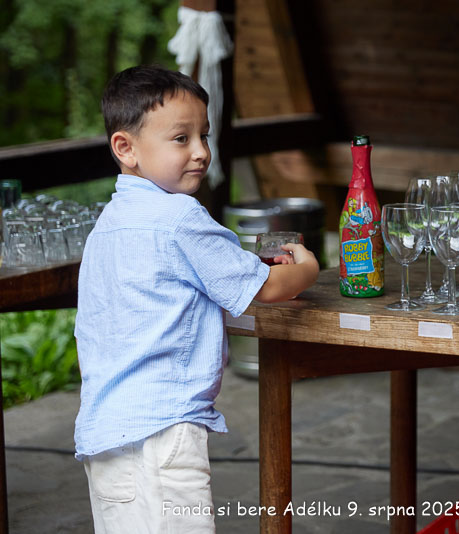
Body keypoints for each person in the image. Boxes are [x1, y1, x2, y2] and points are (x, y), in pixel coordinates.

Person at [74, 64, 319, 533]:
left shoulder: (108, 223)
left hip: (105, 432)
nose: (202, 151)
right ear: (126, 148)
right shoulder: (180, 217)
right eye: (181, 138)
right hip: (162, 433)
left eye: (204, 135)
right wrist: (306, 267)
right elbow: (267, 288)